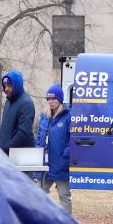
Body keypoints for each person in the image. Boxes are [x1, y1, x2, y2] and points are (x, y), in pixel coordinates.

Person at [34, 83, 72, 215]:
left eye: (53, 98)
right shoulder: (44, 117)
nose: (50, 101)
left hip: (61, 163)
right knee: (40, 194)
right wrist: (37, 153)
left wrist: (65, 155)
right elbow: (39, 137)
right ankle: (42, 222)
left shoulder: (68, 116)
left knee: (64, 195)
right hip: (45, 164)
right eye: (48, 99)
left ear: (59, 100)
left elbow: (72, 139)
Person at [0, 70, 35, 154]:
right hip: (6, 154)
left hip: (20, 156)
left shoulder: (26, 104)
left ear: (17, 85)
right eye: (5, 86)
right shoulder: (8, 101)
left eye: (9, 86)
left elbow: (24, 133)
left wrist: (6, 149)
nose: (6, 89)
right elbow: (4, 129)